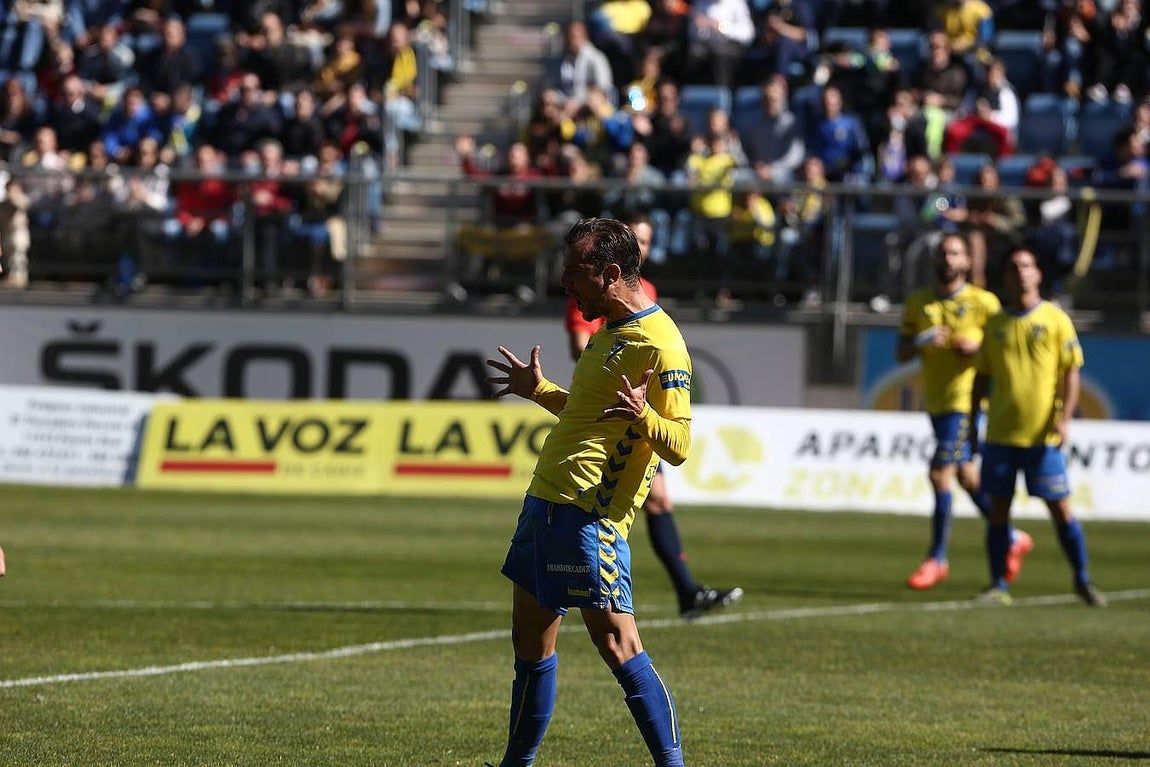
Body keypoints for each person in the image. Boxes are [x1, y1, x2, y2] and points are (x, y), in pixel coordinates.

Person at [484, 217, 694, 767]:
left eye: (574, 272)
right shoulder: (608, 332)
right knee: (529, 648)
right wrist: (541, 391)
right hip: (545, 504)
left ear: (611, 272)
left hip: (588, 517)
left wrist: (645, 415)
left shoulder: (662, 345)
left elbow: (679, 446)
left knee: (620, 648)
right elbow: (585, 416)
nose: (563, 283)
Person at [564, 212, 743, 618]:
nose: (643, 250)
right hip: (609, 415)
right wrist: (611, 361)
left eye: (647, 242)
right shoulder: (590, 291)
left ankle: (683, 593)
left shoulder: (648, 294)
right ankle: (670, 594)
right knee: (643, 503)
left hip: (636, 412)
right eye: (637, 241)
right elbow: (580, 344)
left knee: (658, 501)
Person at [970, 248, 1107, 607]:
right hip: (1000, 434)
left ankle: (1082, 579)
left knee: (1060, 509)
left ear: (1039, 274)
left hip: (1041, 436)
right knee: (998, 511)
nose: (1021, 273)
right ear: (1005, 277)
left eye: (1027, 266)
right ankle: (998, 584)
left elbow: (1070, 372)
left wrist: (1064, 419)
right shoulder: (996, 323)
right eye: (1014, 267)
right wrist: (972, 424)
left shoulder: (1055, 319)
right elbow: (981, 379)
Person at [897, 232, 1033, 591]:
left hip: (966, 402)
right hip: (938, 402)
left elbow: (1003, 345)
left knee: (940, 473)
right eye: (943, 253)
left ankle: (937, 558)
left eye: (955, 253)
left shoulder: (983, 303)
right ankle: (1014, 538)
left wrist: (978, 346)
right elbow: (901, 351)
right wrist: (921, 341)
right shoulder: (919, 302)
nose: (948, 259)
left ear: (967, 262)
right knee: (968, 478)